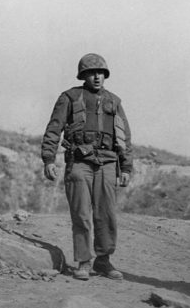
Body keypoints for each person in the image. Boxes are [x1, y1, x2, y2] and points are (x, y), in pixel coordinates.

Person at [41, 53, 133, 281]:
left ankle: (103, 260)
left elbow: (124, 137)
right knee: (81, 214)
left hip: (108, 163)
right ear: (83, 75)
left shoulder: (114, 101)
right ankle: (83, 261)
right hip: (79, 162)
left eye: (100, 73)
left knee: (106, 214)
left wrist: (127, 168)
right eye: (92, 73)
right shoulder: (69, 97)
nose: (97, 77)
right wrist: (49, 159)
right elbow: (54, 129)